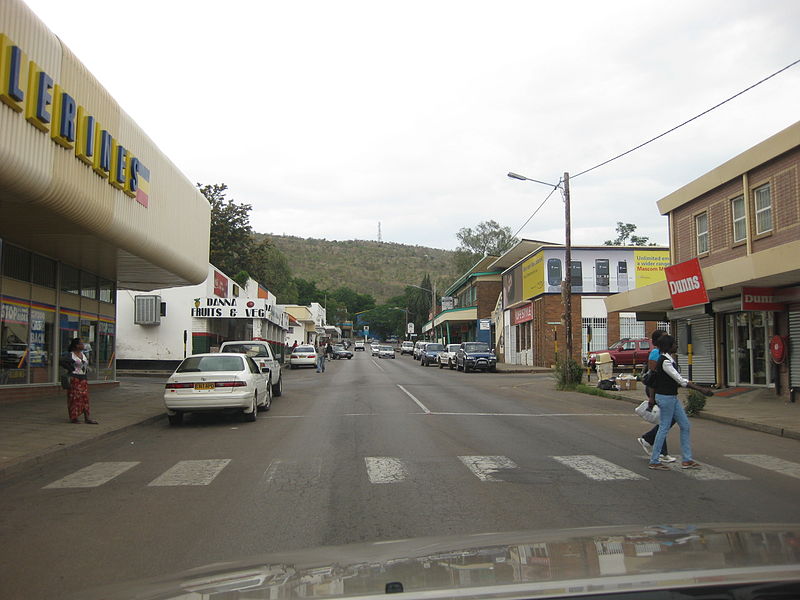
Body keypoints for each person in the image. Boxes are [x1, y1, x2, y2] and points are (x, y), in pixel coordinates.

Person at [648, 334, 713, 470]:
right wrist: (701, 389)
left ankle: (687, 459)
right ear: (668, 346)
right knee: (664, 428)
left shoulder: (669, 359)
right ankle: (654, 460)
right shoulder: (665, 361)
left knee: (685, 425)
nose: (676, 346)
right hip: (666, 398)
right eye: (674, 344)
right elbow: (680, 380)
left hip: (671, 397)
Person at [637, 329, 677, 462]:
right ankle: (658, 448)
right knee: (666, 420)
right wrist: (652, 396)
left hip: (664, 391)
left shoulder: (666, 354)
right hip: (656, 390)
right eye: (665, 337)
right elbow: (654, 375)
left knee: (666, 420)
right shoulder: (656, 353)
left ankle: (652, 442)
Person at [59, 338, 98, 424]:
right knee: (74, 398)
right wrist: (70, 369)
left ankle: (87, 417)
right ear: (76, 345)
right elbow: (61, 361)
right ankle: (74, 417)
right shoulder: (71, 355)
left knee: (85, 398)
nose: (83, 345)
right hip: (75, 378)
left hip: (83, 378)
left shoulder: (83, 355)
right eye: (81, 344)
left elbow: (84, 364)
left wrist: (87, 369)